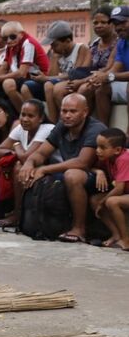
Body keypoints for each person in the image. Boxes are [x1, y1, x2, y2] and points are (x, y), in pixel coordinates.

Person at [18, 93, 107, 243]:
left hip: (99, 177)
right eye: (64, 111)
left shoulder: (95, 128)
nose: (67, 115)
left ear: (85, 112)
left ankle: (79, 228)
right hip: (72, 172)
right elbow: (41, 152)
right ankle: (23, 219)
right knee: (21, 168)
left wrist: (44, 169)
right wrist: (29, 163)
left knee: (72, 175)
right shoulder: (62, 126)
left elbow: (82, 162)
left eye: (73, 111)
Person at [0, 99, 55, 229]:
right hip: (27, 166)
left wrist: (16, 145)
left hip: (48, 170)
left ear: (41, 118)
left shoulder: (47, 129)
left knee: (18, 167)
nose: (25, 119)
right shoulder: (20, 128)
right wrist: (18, 150)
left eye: (30, 116)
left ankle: (18, 214)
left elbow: (26, 157)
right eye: (23, 114)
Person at [53, 6, 116, 123]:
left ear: (112, 24)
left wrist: (81, 82)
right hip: (89, 76)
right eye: (95, 23)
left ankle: (81, 124)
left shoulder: (117, 43)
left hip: (106, 77)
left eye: (103, 22)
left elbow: (108, 69)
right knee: (58, 89)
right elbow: (86, 67)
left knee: (83, 89)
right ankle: (63, 123)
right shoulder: (94, 44)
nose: (98, 25)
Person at [0, 21, 49, 113]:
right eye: (5, 38)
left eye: (12, 37)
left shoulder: (28, 43)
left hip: (37, 78)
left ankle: (25, 114)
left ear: (21, 34)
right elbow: (3, 69)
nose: (9, 41)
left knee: (8, 84)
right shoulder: (10, 45)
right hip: (23, 78)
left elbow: (21, 73)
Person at [28, 20, 90, 118]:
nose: (52, 48)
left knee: (50, 85)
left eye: (55, 45)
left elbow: (76, 74)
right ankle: (53, 122)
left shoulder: (81, 49)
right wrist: (55, 58)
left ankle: (62, 120)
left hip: (75, 82)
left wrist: (47, 78)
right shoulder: (56, 53)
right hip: (61, 81)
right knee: (40, 86)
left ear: (68, 41)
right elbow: (52, 75)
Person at [85, 4, 129, 128]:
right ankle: (103, 130)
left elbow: (112, 75)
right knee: (101, 88)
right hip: (124, 85)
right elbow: (116, 67)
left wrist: (109, 76)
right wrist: (101, 78)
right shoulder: (122, 42)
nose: (119, 27)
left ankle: (128, 136)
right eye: (116, 24)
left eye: (123, 22)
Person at [91, 128, 129, 250]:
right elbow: (90, 167)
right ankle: (116, 235)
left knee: (112, 201)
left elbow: (118, 189)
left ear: (117, 150)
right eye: (97, 146)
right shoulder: (107, 158)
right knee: (94, 200)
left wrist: (102, 203)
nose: (97, 151)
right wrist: (99, 171)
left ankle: (126, 240)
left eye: (102, 147)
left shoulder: (124, 159)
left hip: (124, 193)